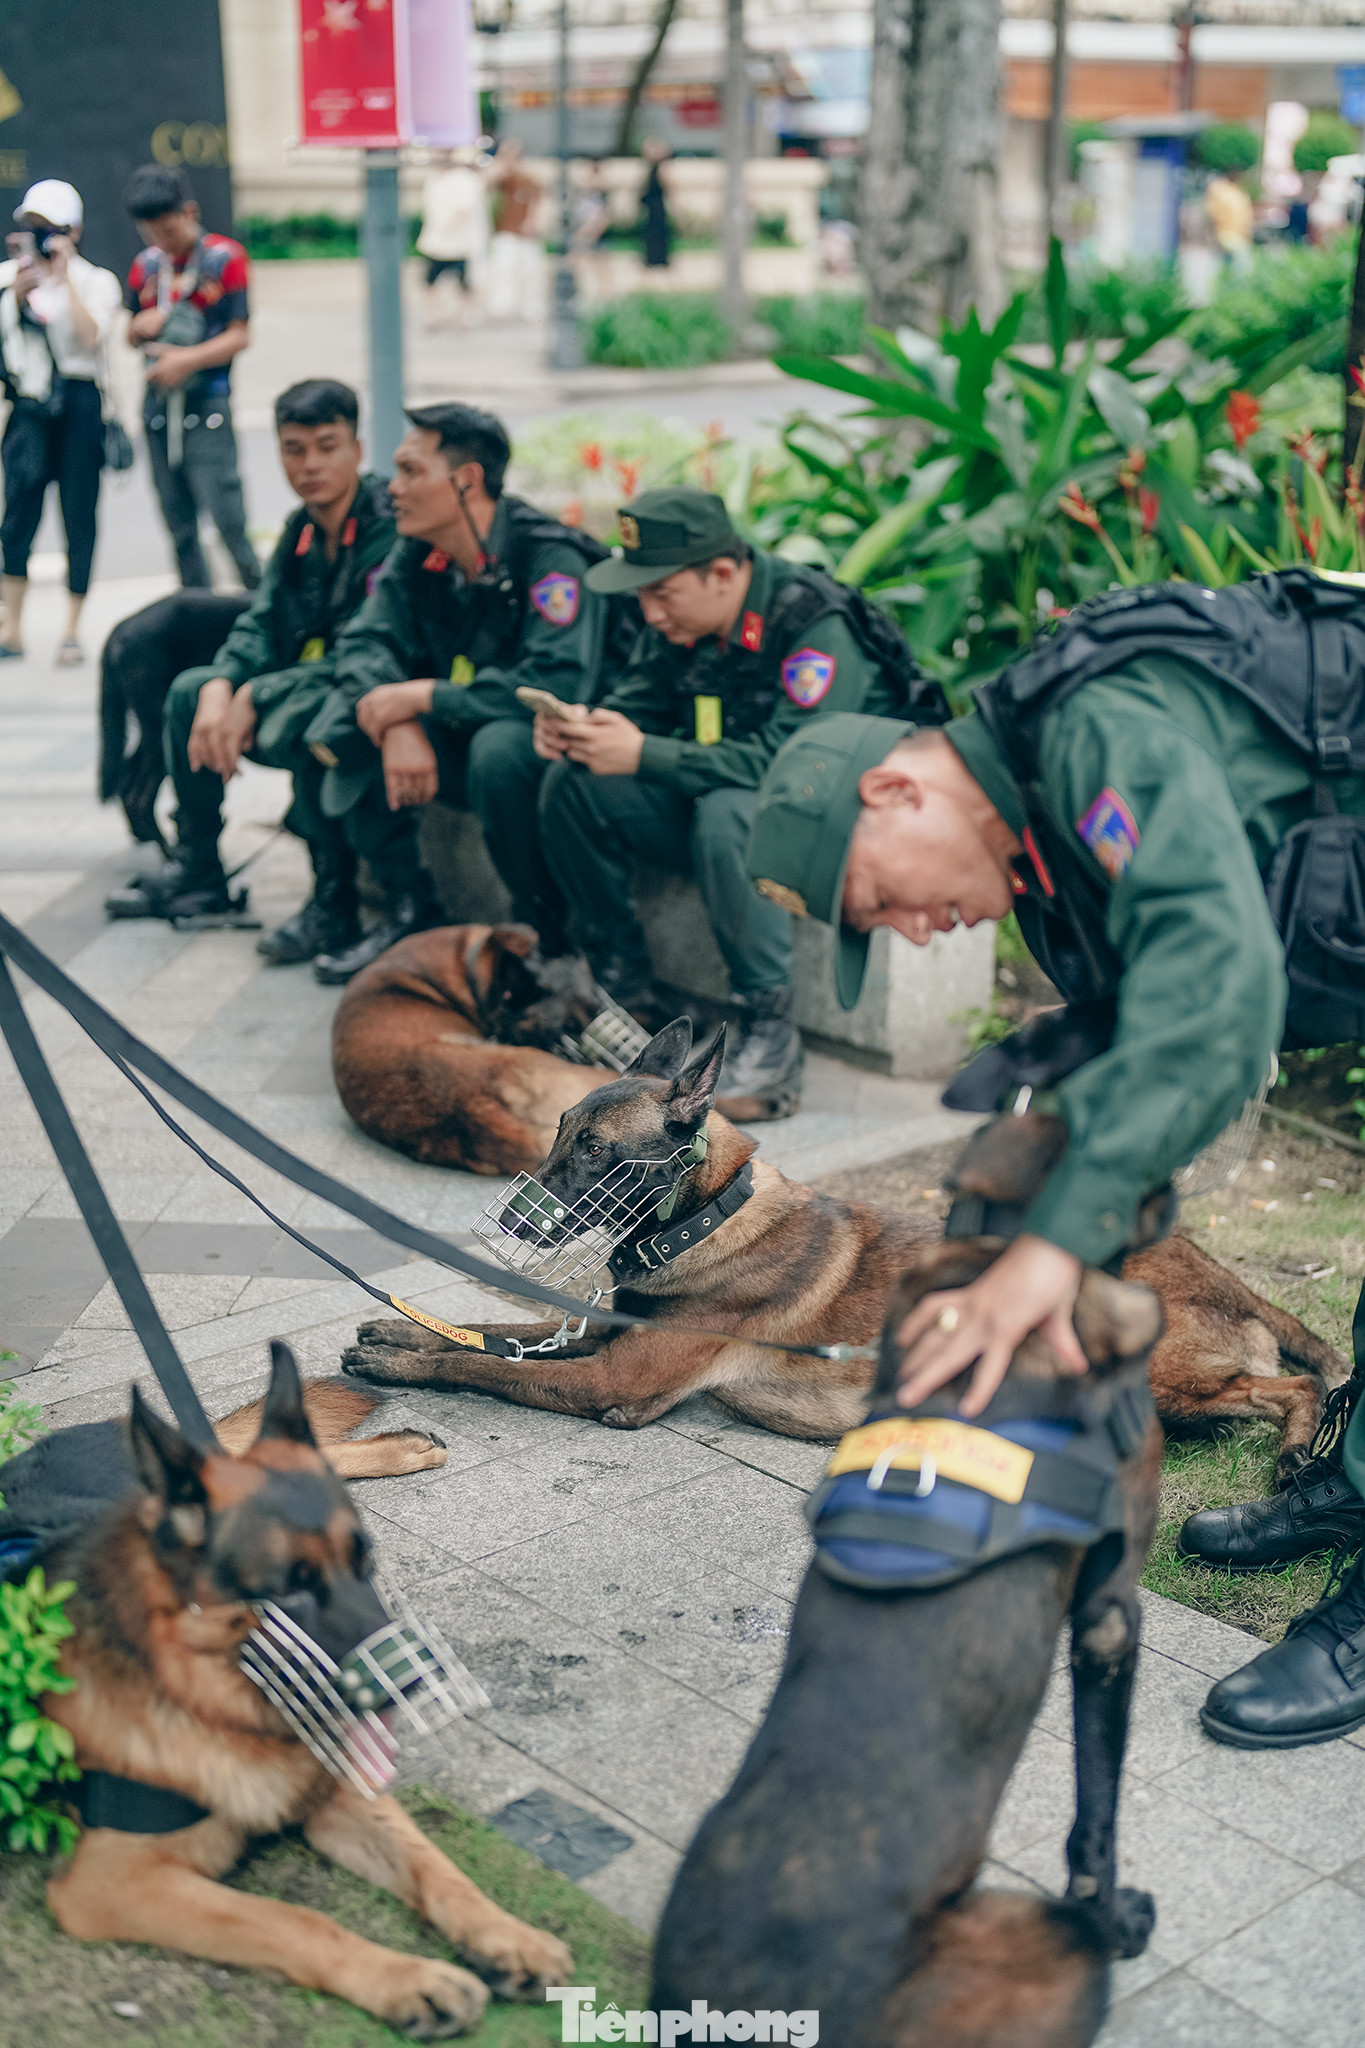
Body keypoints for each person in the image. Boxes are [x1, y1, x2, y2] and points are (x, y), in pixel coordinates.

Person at [743, 567, 1365, 1745]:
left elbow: (1218, 1003)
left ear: (894, 790)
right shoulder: (1045, 861)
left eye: (883, 900)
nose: (919, 929)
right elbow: (1149, 1049)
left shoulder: (1095, 735)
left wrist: (1053, 1250)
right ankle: (1353, 1486)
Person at [535, 486, 948, 1119]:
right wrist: (585, 732)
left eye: (661, 593)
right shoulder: (681, 620)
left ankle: (771, 1030)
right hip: (725, 807)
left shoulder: (812, 625)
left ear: (723, 574)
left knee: (734, 808)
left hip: (838, 824)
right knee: (575, 783)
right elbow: (637, 705)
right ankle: (627, 987)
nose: (649, 613)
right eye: (641, 594)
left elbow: (790, 767)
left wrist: (645, 754)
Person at [302, 401, 618, 985]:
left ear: (466, 480)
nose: (392, 488)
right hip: (462, 731)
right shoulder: (419, 548)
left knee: (497, 749)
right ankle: (407, 906)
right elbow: (365, 641)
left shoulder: (548, 557)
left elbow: (555, 683)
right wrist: (400, 722)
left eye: (411, 472)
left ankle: (551, 936)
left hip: (557, 750)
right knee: (355, 714)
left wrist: (424, 699)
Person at [102, 379, 395, 962]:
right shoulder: (303, 530)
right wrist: (221, 683)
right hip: (308, 687)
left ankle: (333, 904)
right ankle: (201, 872)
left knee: (311, 720)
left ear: (356, 451)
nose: (309, 465)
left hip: (364, 700)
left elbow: (362, 652)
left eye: (326, 447)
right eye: (294, 449)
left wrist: (254, 692)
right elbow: (261, 624)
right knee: (188, 692)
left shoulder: (386, 529)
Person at [0, 180, 122, 665]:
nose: (41, 238)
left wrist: (66, 274)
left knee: (79, 516)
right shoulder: (9, 278)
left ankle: (71, 629)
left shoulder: (96, 281)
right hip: (30, 408)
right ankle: (12, 625)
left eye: (50, 229)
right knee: (17, 518)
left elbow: (91, 337)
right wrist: (16, 298)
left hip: (78, 403)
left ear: (73, 231)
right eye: (32, 228)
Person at [123, 163, 260, 591]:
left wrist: (187, 360)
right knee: (179, 525)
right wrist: (138, 327)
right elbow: (130, 333)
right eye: (151, 232)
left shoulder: (225, 259)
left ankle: (261, 601)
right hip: (158, 406)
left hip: (208, 404)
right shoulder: (145, 268)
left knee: (228, 519)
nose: (161, 240)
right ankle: (195, 608)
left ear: (190, 212)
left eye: (167, 229)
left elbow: (241, 335)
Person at [416, 147, 489, 330]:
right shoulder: (434, 178)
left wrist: (448, 227)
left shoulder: (464, 179)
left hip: (461, 242)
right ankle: (434, 316)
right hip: (435, 242)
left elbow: (463, 208)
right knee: (429, 282)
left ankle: (464, 317)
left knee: (465, 284)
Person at [484, 140, 544, 323]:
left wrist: (534, 221)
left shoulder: (529, 178)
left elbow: (538, 200)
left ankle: (530, 307)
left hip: (525, 233)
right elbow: (486, 184)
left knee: (529, 272)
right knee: (503, 269)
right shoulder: (500, 177)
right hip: (504, 230)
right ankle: (501, 306)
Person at [1204, 166, 1255, 268]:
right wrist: (1212, 236)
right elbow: (1211, 214)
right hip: (1224, 235)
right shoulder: (1218, 189)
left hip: (1240, 236)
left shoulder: (1238, 191)